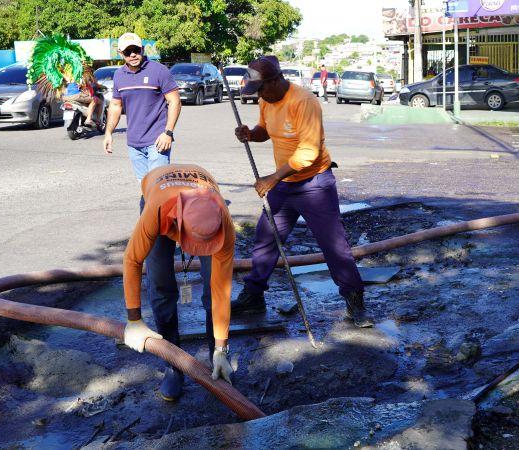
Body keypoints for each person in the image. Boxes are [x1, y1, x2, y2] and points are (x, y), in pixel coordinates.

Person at [232, 56, 374, 328]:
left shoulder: (304, 101)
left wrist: (273, 177)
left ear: (275, 81)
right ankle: (253, 296)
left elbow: (308, 153)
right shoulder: (267, 100)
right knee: (266, 239)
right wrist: (250, 134)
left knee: (335, 246)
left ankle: (355, 303)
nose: (258, 95)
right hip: (284, 186)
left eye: (260, 89)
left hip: (313, 185)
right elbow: (266, 130)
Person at [122, 164, 235, 401]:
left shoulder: (222, 221)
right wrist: (134, 320)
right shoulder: (156, 211)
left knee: (210, 289)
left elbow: (221, 291)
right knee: (160, 284)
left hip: (201, 209)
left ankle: (217, 359)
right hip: (161, 198)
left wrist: (222, 348)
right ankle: (172, 364)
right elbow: (132, 260)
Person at [103, 33, 181, 184]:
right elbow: (115, 105)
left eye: (136, 50)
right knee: (145, 186)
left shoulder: (159, 70)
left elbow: (175, 102)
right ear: (120, 53)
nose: (132, 55)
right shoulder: (119, 75)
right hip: (134, 144)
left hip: (158, 141)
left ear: (142, 49)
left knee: (158, 186)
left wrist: (168, 133)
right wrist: (108, 133)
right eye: (127, 52)